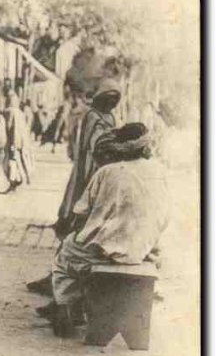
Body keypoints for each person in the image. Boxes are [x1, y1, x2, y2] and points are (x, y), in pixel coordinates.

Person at [40, 123, 169, 335]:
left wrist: (81, 233)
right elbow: (165, 216)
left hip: (107, 252)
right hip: (142, 249)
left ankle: (65, 310)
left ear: (119, 147)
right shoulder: (159, 171)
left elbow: (81, 212)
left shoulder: (107, 172)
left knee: (66, 254)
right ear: (145, 147)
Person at [55, 78, 122, 238]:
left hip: (106, 160)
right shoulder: (92, 115)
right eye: (108, 99)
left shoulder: (111, 117)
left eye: (114, 100)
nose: (111, 103)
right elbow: (88, 141)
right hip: (90, 159)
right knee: (84, 189)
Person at [1, 92, 34, 194]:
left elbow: (9, 127)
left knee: (9, 163)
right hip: (21, 142)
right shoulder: (20, 112)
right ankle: (21, 179)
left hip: (12, 141)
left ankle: (14, 183)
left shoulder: (9, 112)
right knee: (17, 161)